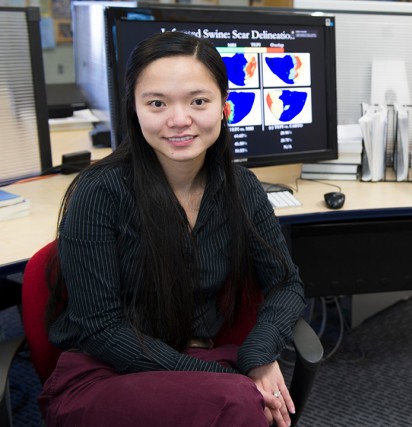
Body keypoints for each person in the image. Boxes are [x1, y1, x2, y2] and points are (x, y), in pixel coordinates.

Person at [38, 31, 306, 427]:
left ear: (225, 108)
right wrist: (225, 378)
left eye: (199, 101)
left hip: (199, 359)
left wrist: (258, 356)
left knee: (240, 399)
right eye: (157, 103)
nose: (179, 120)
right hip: (103, 371)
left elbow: (287, 284)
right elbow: (101, 328)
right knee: (237, 403)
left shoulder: (240, 186)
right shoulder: (100, 191)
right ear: (135, 109)